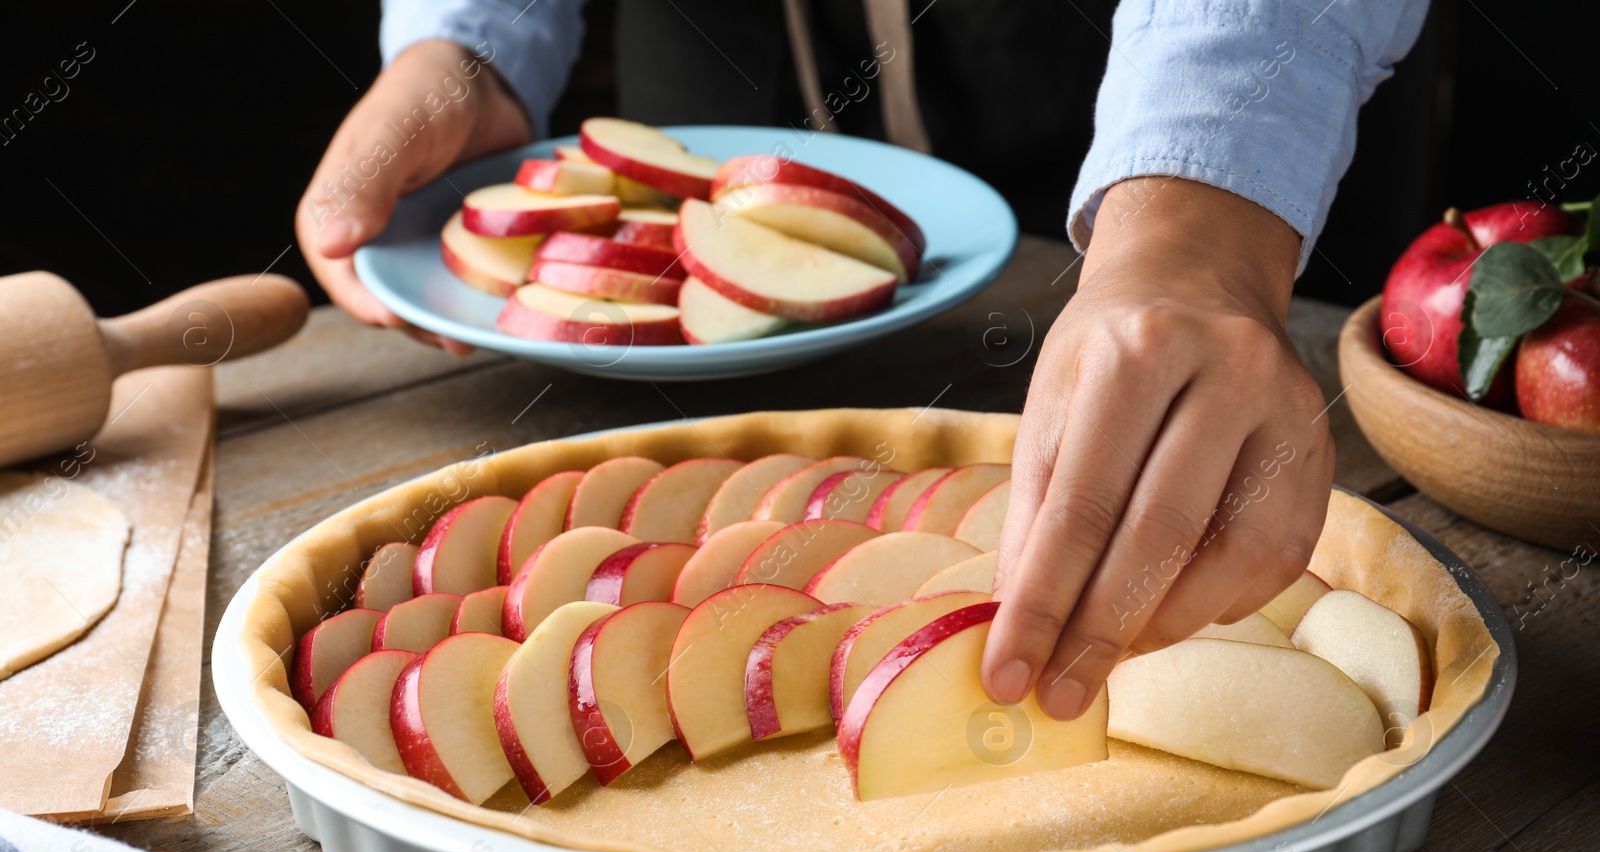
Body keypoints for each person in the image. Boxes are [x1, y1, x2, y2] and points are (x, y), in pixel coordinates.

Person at [297, 1, 1429, 721]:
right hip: (732, 53)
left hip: (1169, 68)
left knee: (1198, 446)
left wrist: (1201, 227)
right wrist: (473, 46)